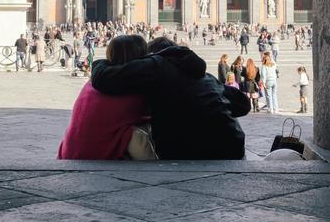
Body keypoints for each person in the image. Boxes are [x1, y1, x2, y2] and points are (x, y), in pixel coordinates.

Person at [91, 36, 250, 160]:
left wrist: (100, 63)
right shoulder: (204, 76)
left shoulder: (156, 65)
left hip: (186, 151)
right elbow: (243, 105)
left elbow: (103, 79)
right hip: (232, 145)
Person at [58, 35, 157, 160]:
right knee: (140, 134)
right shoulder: (132, 87)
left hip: (70, 152)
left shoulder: (93, 83)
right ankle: (156, 171)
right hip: (95, 156)